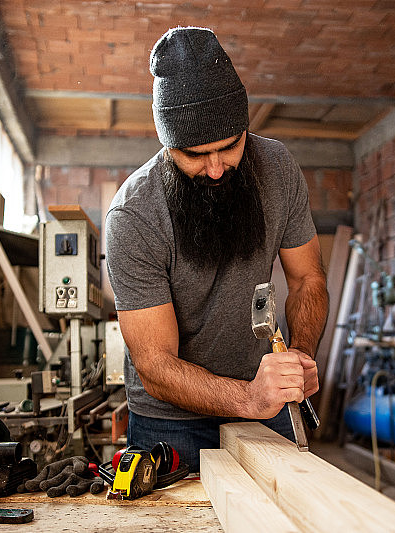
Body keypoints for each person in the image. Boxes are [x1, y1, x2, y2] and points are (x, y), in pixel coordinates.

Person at [104, 26, 328, 472]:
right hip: (170, 423)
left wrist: (298, 357)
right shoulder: (133, 215)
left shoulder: (277, 168)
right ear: (167, 146)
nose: (216, 168)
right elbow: (154, 363)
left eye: (229, 146)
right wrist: (247, 396)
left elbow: (308, 279)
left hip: (265, 400)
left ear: (244, 128)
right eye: (194, 155)